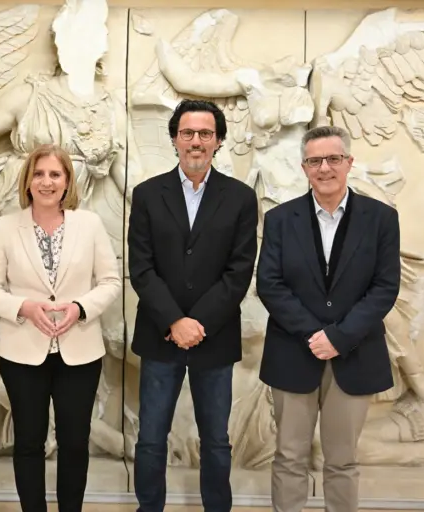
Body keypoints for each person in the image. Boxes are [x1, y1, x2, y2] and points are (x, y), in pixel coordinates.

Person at [256, 125, 400, 512]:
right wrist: (314, 334)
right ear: (304, 167)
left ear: (349, 162)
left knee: (342, 460)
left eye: (333, 158)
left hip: (355, 354)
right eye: (315, 160)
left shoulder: (382, 218)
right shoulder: (280, 218)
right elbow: (269, 284)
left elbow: (385, 287)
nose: (324, 168)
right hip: (293, 352)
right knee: (289, 457)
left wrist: (339, 337)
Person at [128, 99, 258, 512]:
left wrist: (197, 321)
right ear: (174, 139)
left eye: (205, 133)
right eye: (187, 133)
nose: (196, 141)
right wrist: (174, 320)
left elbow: (239, 271)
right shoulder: (148, 195)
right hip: (160, 334)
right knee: (151, 438)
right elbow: (141, 268)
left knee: (216, 440)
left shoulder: (240, 197)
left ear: (218, 141)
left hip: (213, 336)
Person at [0, 144, 121, 511]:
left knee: (74, 443)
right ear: (27, 181)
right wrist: (23, 307)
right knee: (28, 442)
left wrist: (80, 308)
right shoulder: (6, 227)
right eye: (39, 174)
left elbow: (110, 282)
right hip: (22, 354)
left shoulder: (89, 224)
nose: (46, 181)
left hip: (80, 352)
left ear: (67, 181)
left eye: (55, 174)